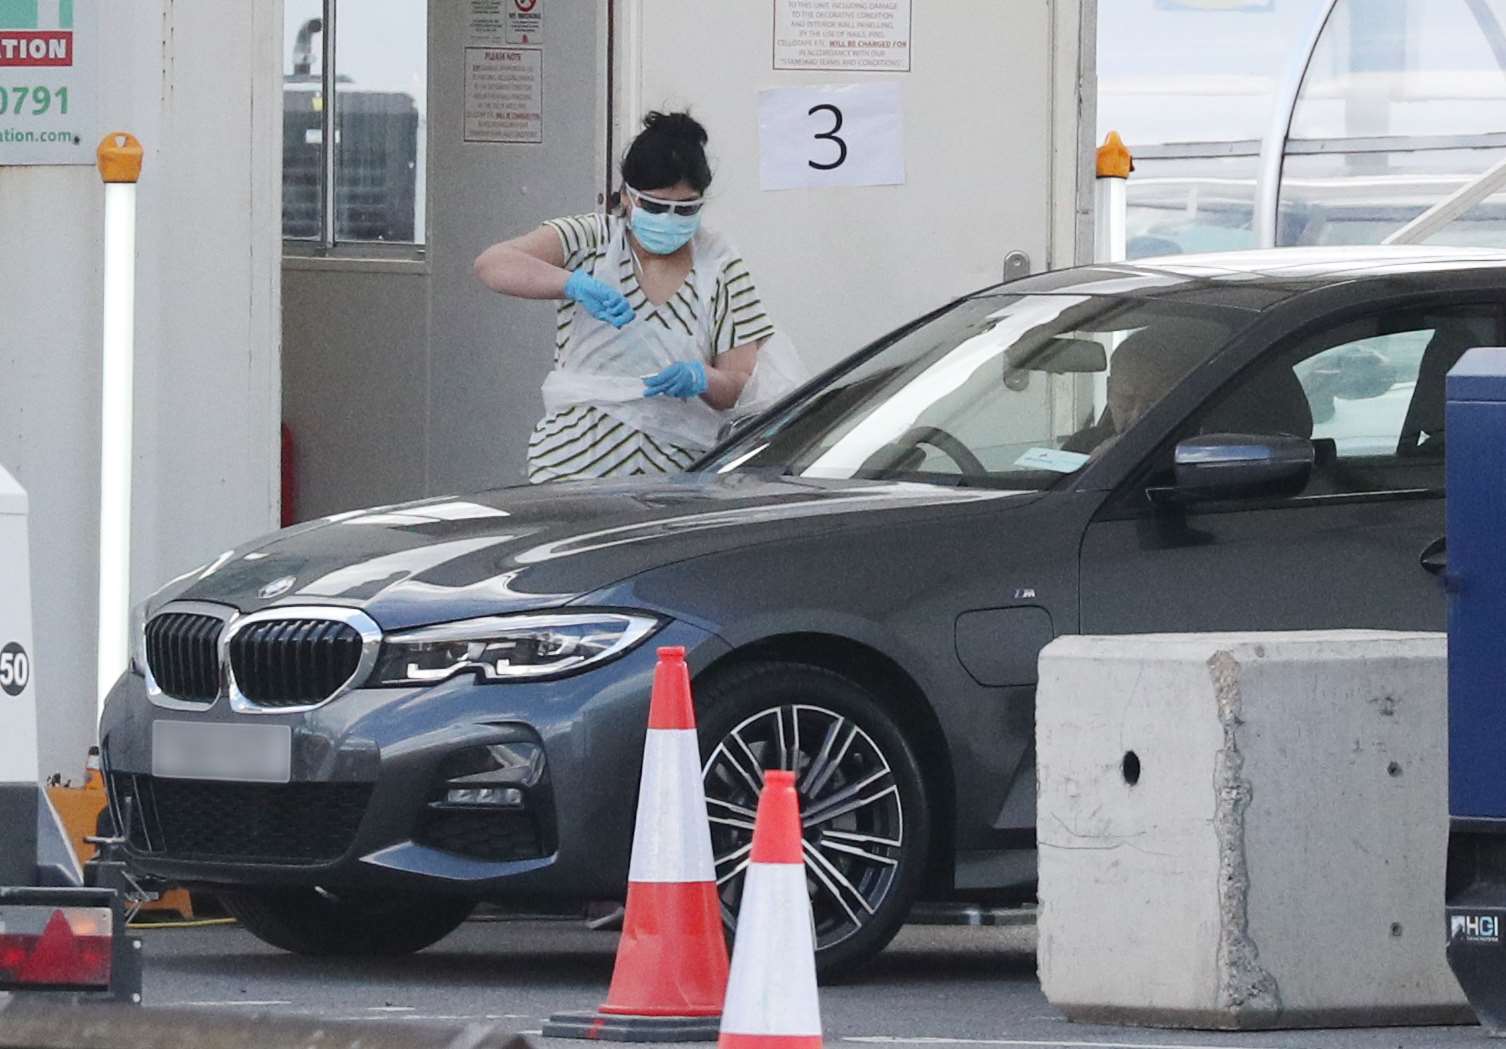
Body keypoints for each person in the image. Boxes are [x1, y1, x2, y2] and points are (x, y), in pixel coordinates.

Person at [474, 111, 780, 483]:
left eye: (685, 209)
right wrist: (572, 284)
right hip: (573, 466)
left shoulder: (720, 267)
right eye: (654, 206)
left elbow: (739, 386)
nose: (669, 219)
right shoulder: (591, 239)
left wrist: (703, 379)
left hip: (678, 478)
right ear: (626, 197)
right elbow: (493, 265)